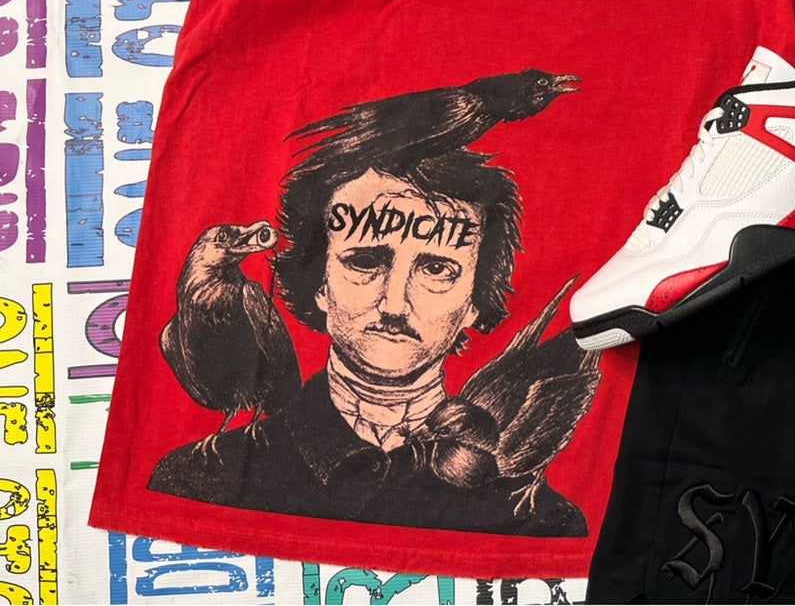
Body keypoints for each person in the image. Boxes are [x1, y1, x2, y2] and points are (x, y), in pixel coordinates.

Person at [149, 114, 595, 537]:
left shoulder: (541, 520)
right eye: (364, 262)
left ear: (474, 304)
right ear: (319, 284)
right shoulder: (199, 480)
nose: (394, 304)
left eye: (436, 269)